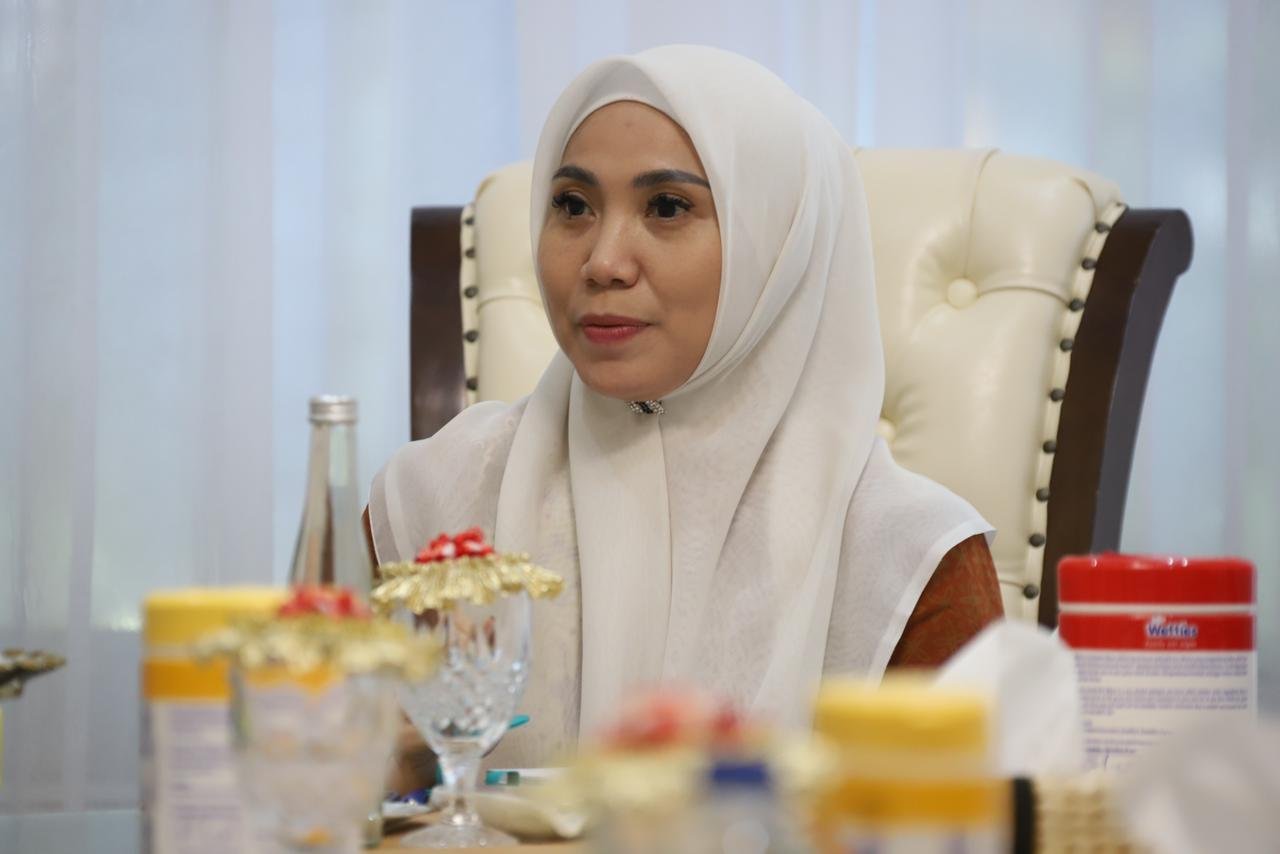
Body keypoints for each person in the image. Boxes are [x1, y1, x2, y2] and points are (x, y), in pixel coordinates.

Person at [369, 45, 1003, 783]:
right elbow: (313, 791)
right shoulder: (431, 502)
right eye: (572, 206)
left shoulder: (906, 557)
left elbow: (969, 822)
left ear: (776, 252)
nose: (604, 262)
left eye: (667, 208)